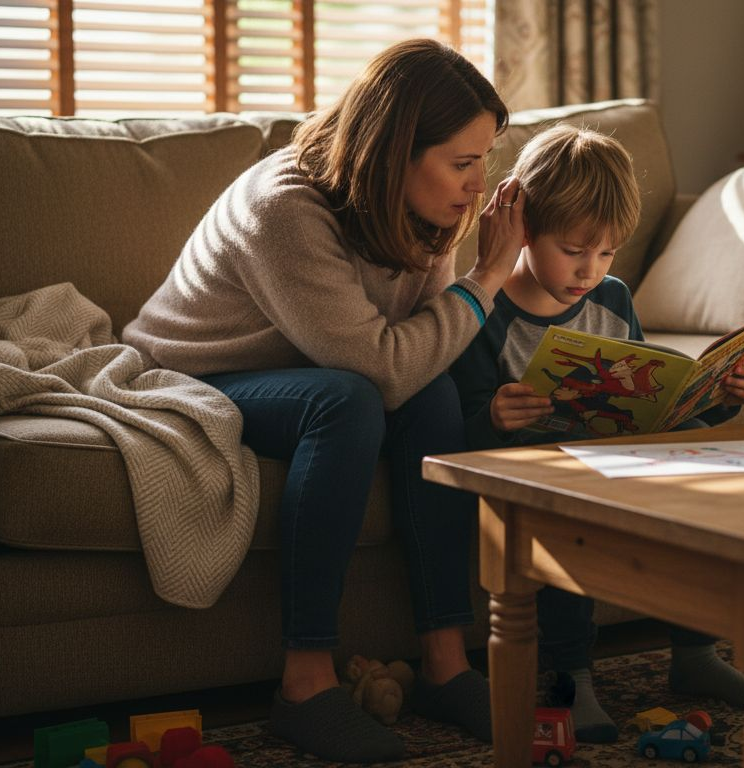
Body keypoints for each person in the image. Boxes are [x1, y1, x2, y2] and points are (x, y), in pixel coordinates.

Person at [122, 38, 527, 764]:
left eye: (484, 161)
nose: (478, 185)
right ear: (397, 149)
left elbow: (421, 353)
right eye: (464, 164)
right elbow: (382, 367)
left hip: (316, 368)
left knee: (430, 396)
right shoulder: (284, 208)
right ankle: (305, 686)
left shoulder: (422, 207)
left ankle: (446, 664)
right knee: (348, 401)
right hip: (196, 373)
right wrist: (490, 275)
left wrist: (462, 276)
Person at [448, 124, 744, 744]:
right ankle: (572, 673)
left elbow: (652, 399)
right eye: (573, 251)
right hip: (538, 478)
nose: (589, 271)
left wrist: (722, 398)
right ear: (523, 228)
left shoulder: (613, 298)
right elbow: (452, 430)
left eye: (606, 254)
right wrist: (491, 415)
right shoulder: (485, 310)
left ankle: (696, 651)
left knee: (700, 474)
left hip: (615, 457)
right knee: (575, 518)